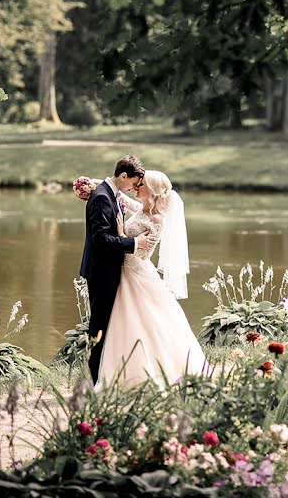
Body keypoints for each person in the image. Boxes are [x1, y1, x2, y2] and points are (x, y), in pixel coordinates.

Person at [95, 170, 209, 390]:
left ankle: (158, 372)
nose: (137, 186)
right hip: (124, 273)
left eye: (142, 184)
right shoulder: (142, 208)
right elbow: (123, 199)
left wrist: (120, 233)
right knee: (129, 324)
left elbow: (144, 254)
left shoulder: (156, 218)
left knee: (146, 323)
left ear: (154, 191)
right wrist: (102, 185)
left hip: (136, 274)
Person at [79, 155, 158, 384]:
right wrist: (135, 244)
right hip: (102, 272)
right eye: (133, 182)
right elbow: (101, 239)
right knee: (99, 326)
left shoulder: (110, 194)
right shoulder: (102, 197)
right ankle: (96, 381)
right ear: (123, 175)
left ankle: (105, 375)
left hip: (111, 270)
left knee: (107, 325)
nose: (134, 187)